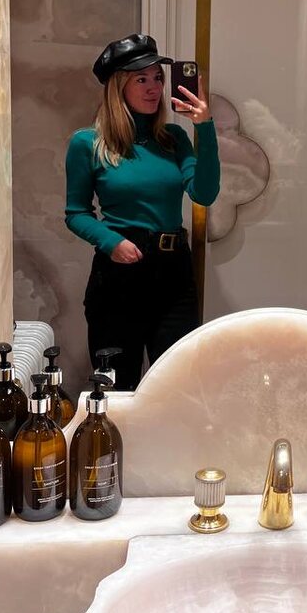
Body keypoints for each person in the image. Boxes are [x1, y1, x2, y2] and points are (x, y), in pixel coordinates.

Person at [64, 33, 220, 390]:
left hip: (174, 275)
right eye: (141, 79)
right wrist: (110, 242)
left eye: (158, 78)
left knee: (177, 386)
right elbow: (76, 213)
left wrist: (205, 127)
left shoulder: (174, 139)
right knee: (118, 388)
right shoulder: (88, 143)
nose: (154, 88)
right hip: (120, 274)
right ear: (118, 87)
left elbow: (205, 193)